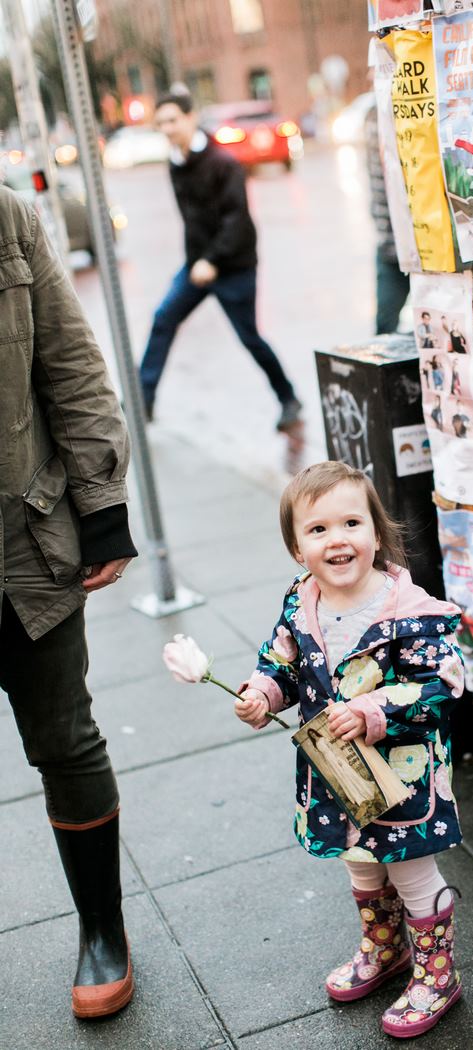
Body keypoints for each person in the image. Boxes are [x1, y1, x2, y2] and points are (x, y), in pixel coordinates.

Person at [235, 461, 465, 1038]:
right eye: (317, 530)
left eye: (351, 523)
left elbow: (441, 685)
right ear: (296, 548)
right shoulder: (300, 603)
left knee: (410, 871)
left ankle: (437, 974)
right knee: (359, 863)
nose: (337, 539)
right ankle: (385, 948)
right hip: (339, 777)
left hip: (401, 777)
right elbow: (282, 662)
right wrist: (263, 693)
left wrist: (374, 711)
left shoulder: (411, 616)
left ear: (376, 534)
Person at [0, 186, 138, 1017]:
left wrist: (104, 515)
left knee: (65, 738)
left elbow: (72, 367)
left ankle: (102, 933)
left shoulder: (7, 218)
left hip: (20, 543)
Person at [139, 91, 301, 430]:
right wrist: (197, 259)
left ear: (191, 118)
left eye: (173, 120)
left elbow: (237, 219)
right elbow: (192, 219)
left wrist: (211, 259)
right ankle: (143, 400)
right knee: (163, 318)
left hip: (234, 267)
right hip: (197, 266)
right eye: (161, 123)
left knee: (250, 338)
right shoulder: (176, 163)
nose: (168, 128)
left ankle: (288, 398)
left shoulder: (223, 163)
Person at [365, 99, 410, 335]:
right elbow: (376, 183)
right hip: (390, 244)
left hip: (430, 243)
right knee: (384, 328)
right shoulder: (374, 114)